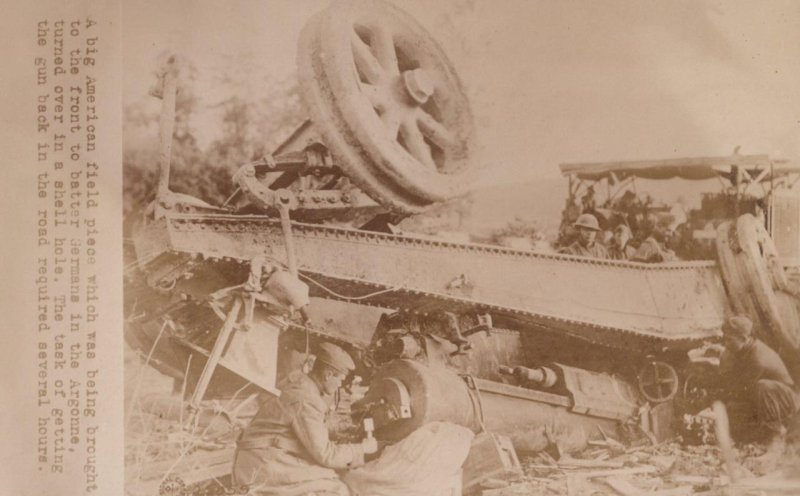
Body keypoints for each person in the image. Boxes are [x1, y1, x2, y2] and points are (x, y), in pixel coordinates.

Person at [233, 342, 378, 495]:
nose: (340, 385)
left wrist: (341, 427)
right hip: (263, 465)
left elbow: (307, 424)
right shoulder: (307, 399)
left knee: (329, 477)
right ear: (328, 375)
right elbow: (326, 455)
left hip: (258, 457)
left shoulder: (302, 384)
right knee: (336, 488)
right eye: (340, 380)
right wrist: (362, 449)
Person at [717, 316, 799, 455]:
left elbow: (739, 389)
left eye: (729, 340)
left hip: (787, 401)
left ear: (744, 338)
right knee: (732, 408)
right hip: (763, 398)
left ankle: (775, 435)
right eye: (724, 339)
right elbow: (728, 379)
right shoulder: (740, 349)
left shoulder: (758, 358)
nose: (726, 344)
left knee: (762, 387)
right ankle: (751, 440)